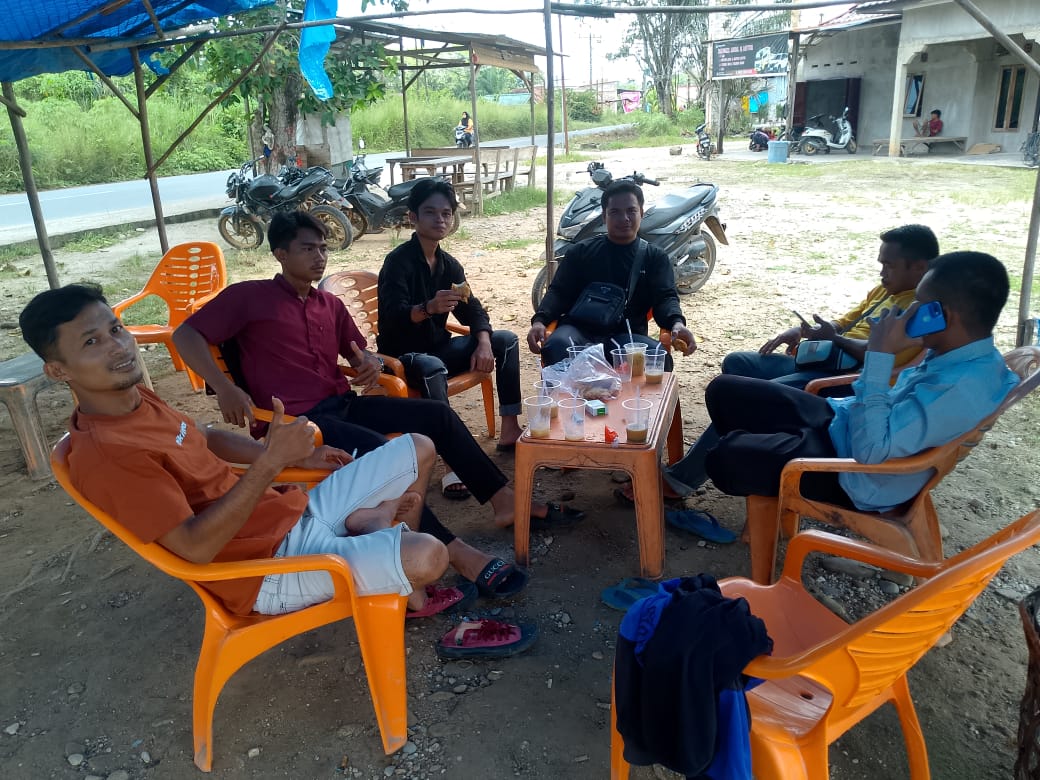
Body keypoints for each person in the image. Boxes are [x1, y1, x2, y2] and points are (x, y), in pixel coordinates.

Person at [173, 211, 582, 598]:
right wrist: (224, 387)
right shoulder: (249, 297)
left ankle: (503, 501)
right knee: (381, 452)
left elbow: (357, 354)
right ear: (280, 253)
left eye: (323, 248)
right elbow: (185, 335)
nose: (319, 257)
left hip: (342, 403)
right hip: (297, 424)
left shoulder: (328, 304)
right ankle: (458, 554)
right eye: (307, 248)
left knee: (437, 415)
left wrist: (367, 363)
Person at [19, 284, 450, 618]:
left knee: (417, 447)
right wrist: (270, 462)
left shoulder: (134, 399)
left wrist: (295, 458)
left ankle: (378, 546)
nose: (118, 347)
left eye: (115, 329)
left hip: (287, 515)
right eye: (91, 342)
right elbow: (195, 549)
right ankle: (394, 568)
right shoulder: (107, 455)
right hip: (265, 570)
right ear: (57, 371)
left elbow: (203, 434)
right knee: (429, 555)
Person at [703, 251, 1018, 512]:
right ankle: (771, 450)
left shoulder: (959, 388)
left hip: (857, 474)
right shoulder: (965, 355)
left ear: (943, 316)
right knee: (724, 391)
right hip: (846, 424)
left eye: (918, 305)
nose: (909, 311)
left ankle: (767, 455)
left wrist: (879, 356)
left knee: (724, 458)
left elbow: (871, 450)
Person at [656, 224, 939, 499]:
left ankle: (681, 481)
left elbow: (876, 355)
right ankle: (753, 439)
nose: (882, 272)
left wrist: (835, 339)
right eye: (881, 264)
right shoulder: (884, 291)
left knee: (743, 399)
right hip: (826, 360)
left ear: (919, 267)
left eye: (889, 265)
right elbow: (845, 322)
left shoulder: (921, 313)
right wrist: (808, 332)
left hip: (846, 381)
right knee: (737, 363)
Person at [377, 178, 523, 471]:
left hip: (439, 349)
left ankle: (510, 427)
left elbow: (473, 310)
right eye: (430, 212)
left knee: (506, 340)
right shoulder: (397, 263)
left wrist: (483, 342)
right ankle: (454, 461)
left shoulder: (449, 265)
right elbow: (391, 319)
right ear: (413, 217)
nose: (440, 220)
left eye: (446, 213)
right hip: (403, 358)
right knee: (432, 365)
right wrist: (427, 308)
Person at [527, 179, 697, 367]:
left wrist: (676, 323)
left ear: (641, 213)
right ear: (604, 216)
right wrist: (540, 321)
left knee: (659, 359)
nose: (624, 218)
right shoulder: (581, 252)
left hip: (626, 335)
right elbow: (559, 292)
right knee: (556, 346)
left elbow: (665, 297)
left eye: (631, 211)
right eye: (615, 212)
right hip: (578, 330)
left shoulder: (654, 257)